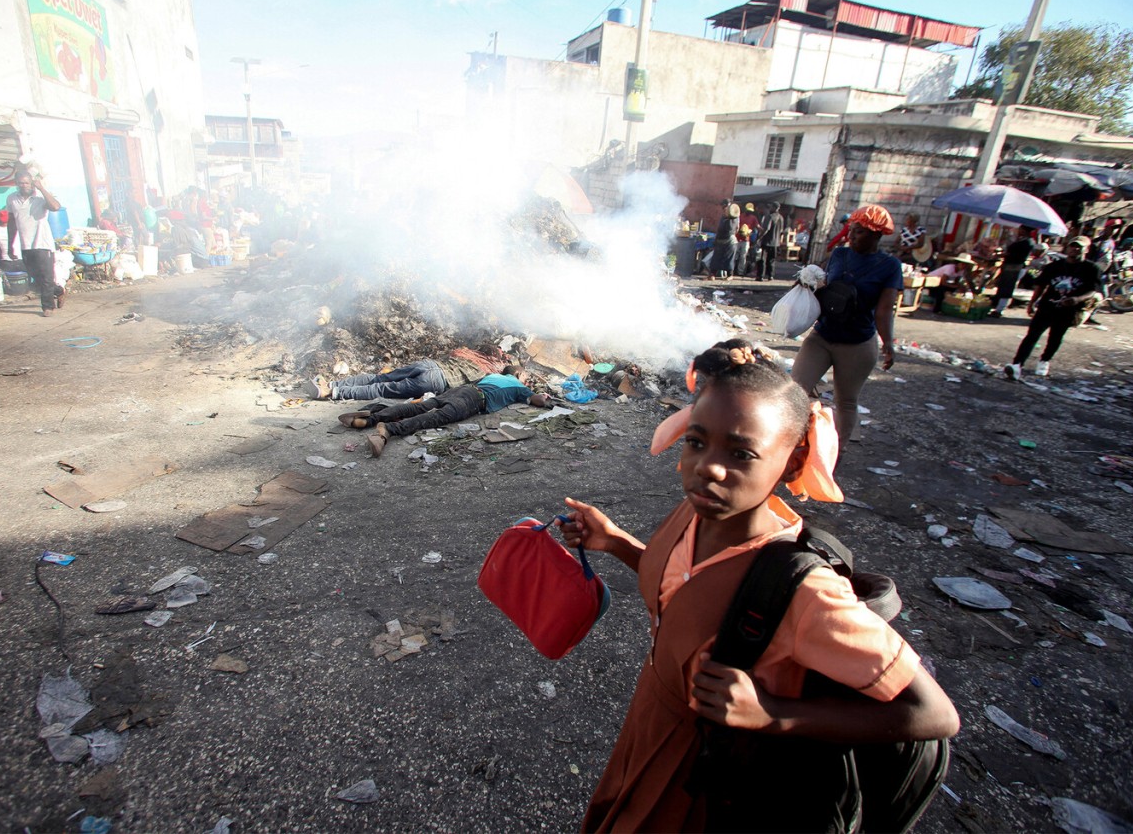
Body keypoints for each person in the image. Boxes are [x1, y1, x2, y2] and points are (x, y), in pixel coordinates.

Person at [559, 339, 959, 832]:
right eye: (697, 441)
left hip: (707, 780)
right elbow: (685, 596)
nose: (708, 467)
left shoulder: (804, 591)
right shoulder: (693, 515)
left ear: (790, 464)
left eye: (742, 452)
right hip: (650, 727)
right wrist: (617, 542)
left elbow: (934, 714)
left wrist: (771, 713)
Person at [790, 204, 901, 452]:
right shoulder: (840, 255)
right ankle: (787, 445)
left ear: (876, 234)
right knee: (795, 392)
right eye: (852, 229)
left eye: (859, 231)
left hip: (857, 344)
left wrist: (889, 345)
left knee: (846, 402)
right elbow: (827, 288)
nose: (851, 235)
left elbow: (884, 310)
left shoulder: (889, 266)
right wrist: (807, 284)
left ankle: (832, 456)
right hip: (823, 336)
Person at [343, 366, 551, 457]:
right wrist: (542, 394)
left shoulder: (492, 376)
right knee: (439, 417)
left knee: (422, 406)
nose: (526, 381)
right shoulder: (517, 384)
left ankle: (371, 418)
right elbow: (539, 401)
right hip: (475, 399)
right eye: (525, 376)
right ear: (518, 373)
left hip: (462, 390)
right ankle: (388, 430)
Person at [1004, 237, 1102, 380]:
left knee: (1055, 337)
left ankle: (1044, 360)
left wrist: (1077, 299)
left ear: (1086, 250)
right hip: (1047, 305)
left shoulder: (1091, 269)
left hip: (1068, 309)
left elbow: (1093, 290)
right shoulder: (1054, 266)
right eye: (1072, 246)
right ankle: (1017, 364)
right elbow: (1041, 285)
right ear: (1067, 248)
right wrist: (1032, 303)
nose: (1074, 249)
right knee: (1032, 335)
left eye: (1079, 247)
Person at [308, 352, 504, 401]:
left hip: (429, 365)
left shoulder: (470, 359)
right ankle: (332, 392)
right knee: (381, 390)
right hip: (436, 381)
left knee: (380, 379)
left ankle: (332, 382)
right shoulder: (486, 375)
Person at [5, 171, 63, 316]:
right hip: (25, 244)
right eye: (21, 183)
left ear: (32, 183)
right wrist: (10, 244)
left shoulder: (39, 198)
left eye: (27, 183)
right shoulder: (12, 199)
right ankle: (59, 291)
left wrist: (42, 188)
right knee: (36, 278)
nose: (24, 186)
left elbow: (56, 207)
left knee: (46, 277)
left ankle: (47, 307)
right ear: (16, 184)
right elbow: (11, 223)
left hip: (43, 243)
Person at [989, 226, 1035, 317]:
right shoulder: (1023, 241)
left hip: (1014, 266)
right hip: (1011, 265)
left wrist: (1002, 254)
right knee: (1003, 285)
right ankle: (997, 306)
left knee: (1007, 287)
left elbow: (1015, 254)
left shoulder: (1026, 243)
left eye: (1021, 229)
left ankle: (999, 309)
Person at [755, 203, 784, 281]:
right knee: (771, 260)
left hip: (767, 242)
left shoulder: (770, 216)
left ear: (774, 207)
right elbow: (781, 231)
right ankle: (770, 276)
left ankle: (760, 276)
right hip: (776, 243)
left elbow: (766, 229)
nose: (769, 208)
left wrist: (759, 238)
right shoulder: (781, 218)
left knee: (762, 259)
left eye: (771, 207)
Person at [711, 199, 738, 280]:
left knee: (729, 259)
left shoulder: (734, 217)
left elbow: (733, 228)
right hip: (720, 240)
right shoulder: (723, 217)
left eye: (726, 206)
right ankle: (712, 274)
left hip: (730, 241)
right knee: (716, 258)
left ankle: (730, 275)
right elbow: (719, 229)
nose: (724, 208)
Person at [738, 203, 760, 275]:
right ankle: (731, 271)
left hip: (746, 240)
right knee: (735, 255)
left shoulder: (753, 218)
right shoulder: (740, 216)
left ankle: (740, 271)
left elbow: (757, 226)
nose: (749, 212)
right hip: (737, 238)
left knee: (743, 256)